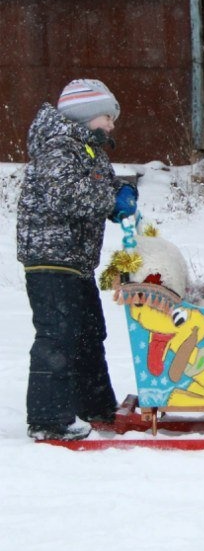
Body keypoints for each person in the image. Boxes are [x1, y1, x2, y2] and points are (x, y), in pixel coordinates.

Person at [16, 79, 138, 441]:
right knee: (58, 336)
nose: (112, 125)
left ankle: (96, 406)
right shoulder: (57, 146)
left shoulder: (89, 149)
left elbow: (101, 183)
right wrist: (107, 202)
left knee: (89, 334)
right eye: (106, 117)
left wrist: (123, 191)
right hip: (49, 257)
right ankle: (48, 420)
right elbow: (68, 195)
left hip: (75, 259)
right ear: (84, 115)